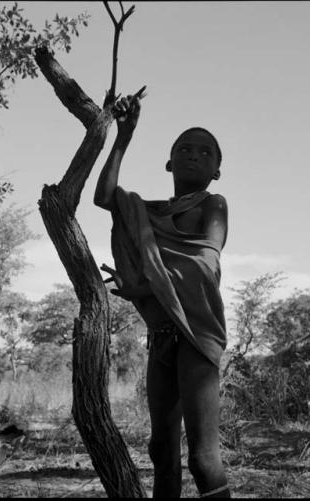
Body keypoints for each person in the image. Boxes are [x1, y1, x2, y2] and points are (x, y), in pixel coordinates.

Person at [94, 94, 230, 498]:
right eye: (184, 149)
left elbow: (204, 265)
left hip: (196, 340)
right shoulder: (146, 210)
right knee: (161, 449)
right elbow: (104, 197)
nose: (194, 155)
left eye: (205, 152)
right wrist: (124, 135)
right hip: (160, 337)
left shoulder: (214, 204)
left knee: (203, 459)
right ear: (169, 163)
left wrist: (140, 286)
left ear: (217, 170)